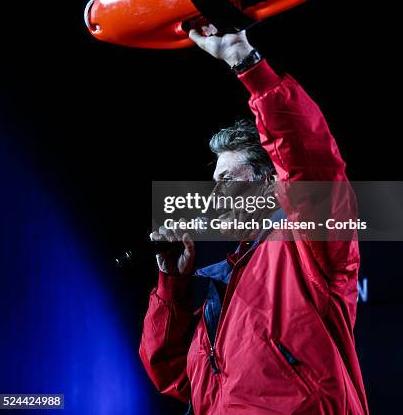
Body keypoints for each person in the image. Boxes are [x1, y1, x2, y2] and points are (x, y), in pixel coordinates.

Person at [139, 28, 369, 414]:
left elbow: (310, 163)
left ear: (270, 183)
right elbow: (174, 376)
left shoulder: (307, 245)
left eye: (227, 179)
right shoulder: (228, 283)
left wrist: (245, 62)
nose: (216, 196)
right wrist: (173, 284)